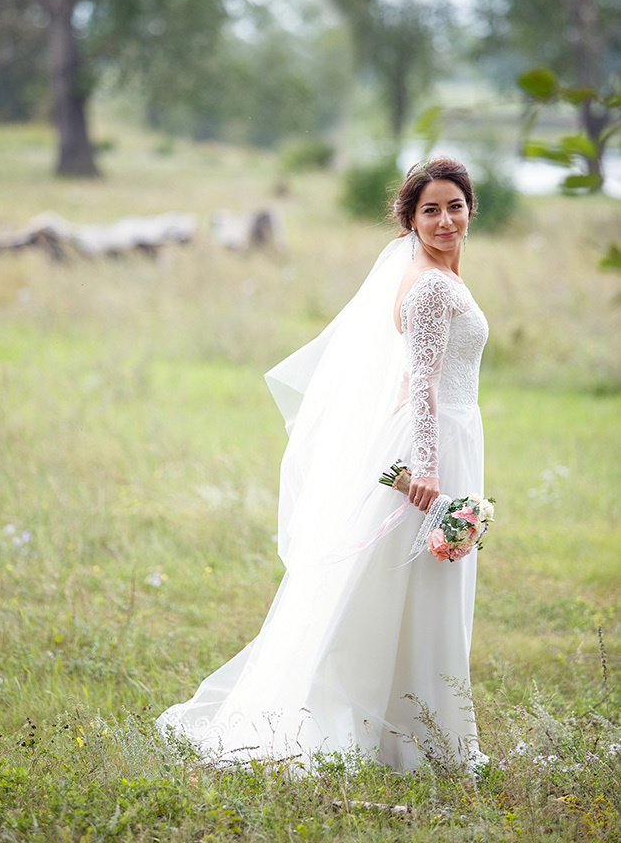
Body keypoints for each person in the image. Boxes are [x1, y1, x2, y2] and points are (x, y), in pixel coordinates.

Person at [158, 156, 488, 772]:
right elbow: (420, 380)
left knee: (416, 587)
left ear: (471, 209)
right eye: (431, 210)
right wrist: (426, 466)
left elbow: (416, 374)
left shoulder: (439, 275)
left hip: (448, 439)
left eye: (455, 206)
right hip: (431, 450)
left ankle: (423, 731)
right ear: (410, 220)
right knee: (390, 586)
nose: (446, 219)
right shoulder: (431, 284)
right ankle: (396, 734)